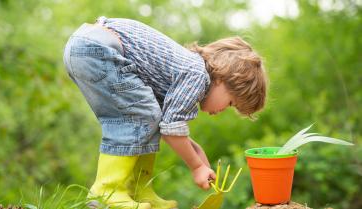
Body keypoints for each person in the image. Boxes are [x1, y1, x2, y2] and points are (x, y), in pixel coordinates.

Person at [63, 16, 267, 209]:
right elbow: (172, 130)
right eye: (231, 102)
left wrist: (196, 153)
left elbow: (167, 126)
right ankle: (107, 190)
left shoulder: (186, 69)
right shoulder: (197, 76)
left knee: (150, 117)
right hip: (98, 50)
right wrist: (197, 167)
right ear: (223, 78)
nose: (222, 110)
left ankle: (139, 190)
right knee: (138, 116)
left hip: (88, 46)